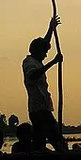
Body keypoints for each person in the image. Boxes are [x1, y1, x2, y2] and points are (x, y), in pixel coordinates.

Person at [22, 15, 67, 152]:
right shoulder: (30, 63)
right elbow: (33, 76)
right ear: (38, 52)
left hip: (43, 108)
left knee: (43, 141)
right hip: (39, 110)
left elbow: (44, 44)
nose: (46, 55)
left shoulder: (37, 60)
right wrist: (53, 62)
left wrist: (51, 29)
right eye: (45, 53)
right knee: (55, 140)